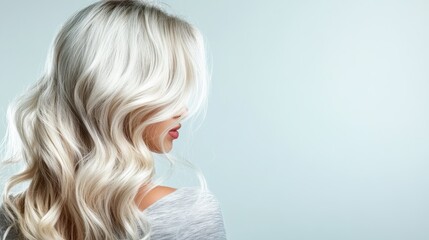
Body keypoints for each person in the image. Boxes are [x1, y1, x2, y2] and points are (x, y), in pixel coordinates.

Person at [0, 0, 227, 239]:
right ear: (115, 94)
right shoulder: (186, 216)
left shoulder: (10, 219)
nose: (183, 110)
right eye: (166, 89)